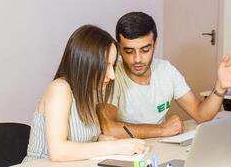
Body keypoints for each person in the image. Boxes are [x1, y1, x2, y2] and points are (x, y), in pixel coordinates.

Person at [96, 12, 231, 139]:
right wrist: (162, 130)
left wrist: (220, 86)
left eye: (145, 50)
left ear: (155, 44)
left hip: (158, 151)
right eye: (129, 51)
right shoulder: (110, 76)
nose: (137, 59)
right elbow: (109, 128)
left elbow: (201, 115)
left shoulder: (166, 70)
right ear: (119, 48)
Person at [22, 25, 146, 162]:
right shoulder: (59, 89)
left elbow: (79, 138)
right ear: (85, 63)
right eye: (105, 65)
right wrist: (114, 147)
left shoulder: (89, 92)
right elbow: (58, 152)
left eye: (113, 65)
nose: (112, 75)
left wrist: (100, 139)